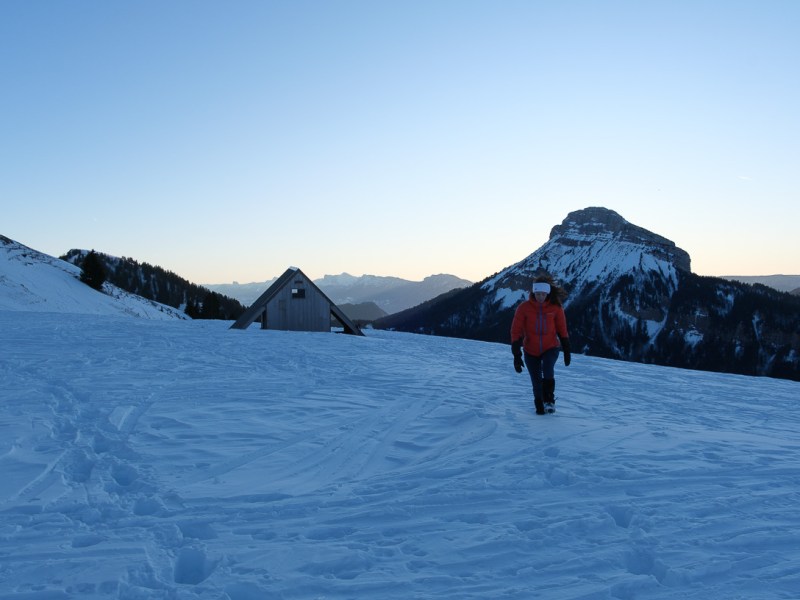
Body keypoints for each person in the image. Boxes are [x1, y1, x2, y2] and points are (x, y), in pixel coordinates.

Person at [510, 276, 571, 415]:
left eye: (543, 294)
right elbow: (516, 330)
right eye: (538, 294)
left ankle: (549, 400)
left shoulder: (556, 308)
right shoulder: (523, 308)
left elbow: (562, 329)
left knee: (548, 367)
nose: (540, 297)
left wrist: (566, 348)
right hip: (530, 350)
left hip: (551, 347)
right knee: (536, 379)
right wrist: (516, 354)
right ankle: (539, 401)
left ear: (548, 293)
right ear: (533, 293)